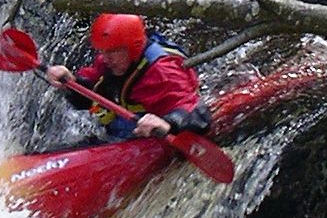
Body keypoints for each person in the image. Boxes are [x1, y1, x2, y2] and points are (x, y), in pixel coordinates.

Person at [44, 13, 211, 140]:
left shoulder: (163, 72)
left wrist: (169, 123)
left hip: (154, 136)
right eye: (102, 50)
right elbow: (89, 98)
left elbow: (197, 113)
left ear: (134, 47)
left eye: (112, 51)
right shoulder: (112, 61)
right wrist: (70, 82)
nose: (105, 57)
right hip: (123, 133)